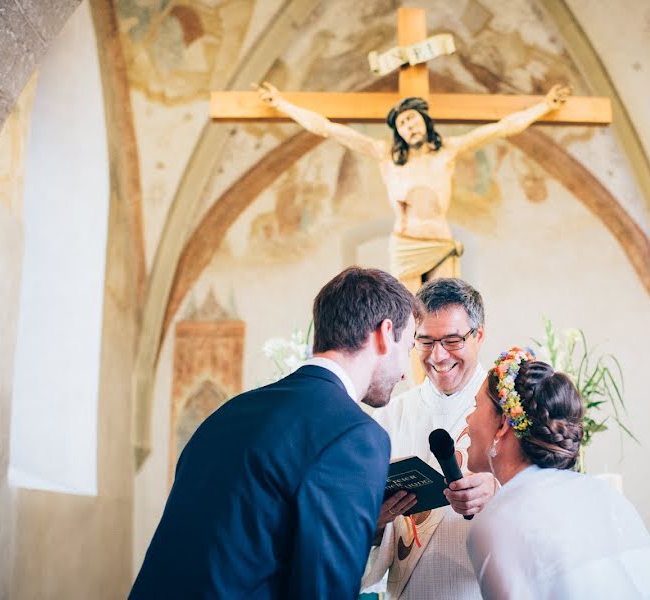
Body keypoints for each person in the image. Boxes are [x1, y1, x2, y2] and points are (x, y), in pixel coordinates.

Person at [129, 267, 422, 599]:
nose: (403, 374)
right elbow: (324, 591)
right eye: (408, 348)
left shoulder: (228, 413)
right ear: (384, 333)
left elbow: (240, 539)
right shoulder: (354, 435)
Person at [255, 82, 570, 291]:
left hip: (440, 241)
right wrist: (282, 104)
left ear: (424, 120)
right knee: (411, 318)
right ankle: (418, 386)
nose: (409, 125)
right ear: (398, 132)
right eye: (402, 123)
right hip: (406, 243)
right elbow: (327, 128)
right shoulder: (386, 156)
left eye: (413, 118)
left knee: (448, 312)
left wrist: (545, 106)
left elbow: (503, 128)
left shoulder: (447, 150)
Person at [465, 347, 650, 599]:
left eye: (476, 406)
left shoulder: (496, 522)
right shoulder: (603, 493)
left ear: (502, 424)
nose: (468, 419)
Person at [361, 278, 496, 599]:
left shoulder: (509, 405)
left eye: (452, 340)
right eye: (424, 341)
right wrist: (376, 523)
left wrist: (499, 489)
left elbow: (550, 491)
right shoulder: (389, 416)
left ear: (479, 335)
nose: (437, 356)